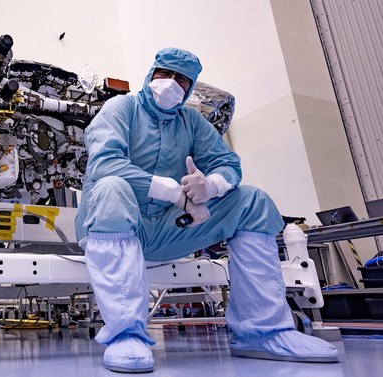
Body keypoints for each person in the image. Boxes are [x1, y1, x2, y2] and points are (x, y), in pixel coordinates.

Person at [75, 47, 338, 373]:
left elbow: (228, 164)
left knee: (252, 200)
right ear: (150, 74)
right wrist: (172, 191)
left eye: (181, 79)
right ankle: (126, 334)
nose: (170, 83)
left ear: (190, 87)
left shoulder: (192, 122)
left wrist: (211, 186)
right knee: (113, 187)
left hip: (168, 229)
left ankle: (263, 333)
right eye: (164, 74)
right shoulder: (121, 108)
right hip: (112, 222)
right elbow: (105, 165)